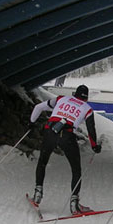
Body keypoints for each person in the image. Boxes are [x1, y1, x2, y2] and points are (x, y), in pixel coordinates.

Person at [29, 84, 101, 214]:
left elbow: (38, 107)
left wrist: (32, 122)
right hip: (67, 136)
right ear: (86, 98)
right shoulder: (87, 109)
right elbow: (91, 129)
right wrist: (94, 146)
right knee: (76, 169)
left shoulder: (61, 99)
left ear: (75, 94)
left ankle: (38, 193)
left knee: (42, 162)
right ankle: (74, 204)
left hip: (50, 131)